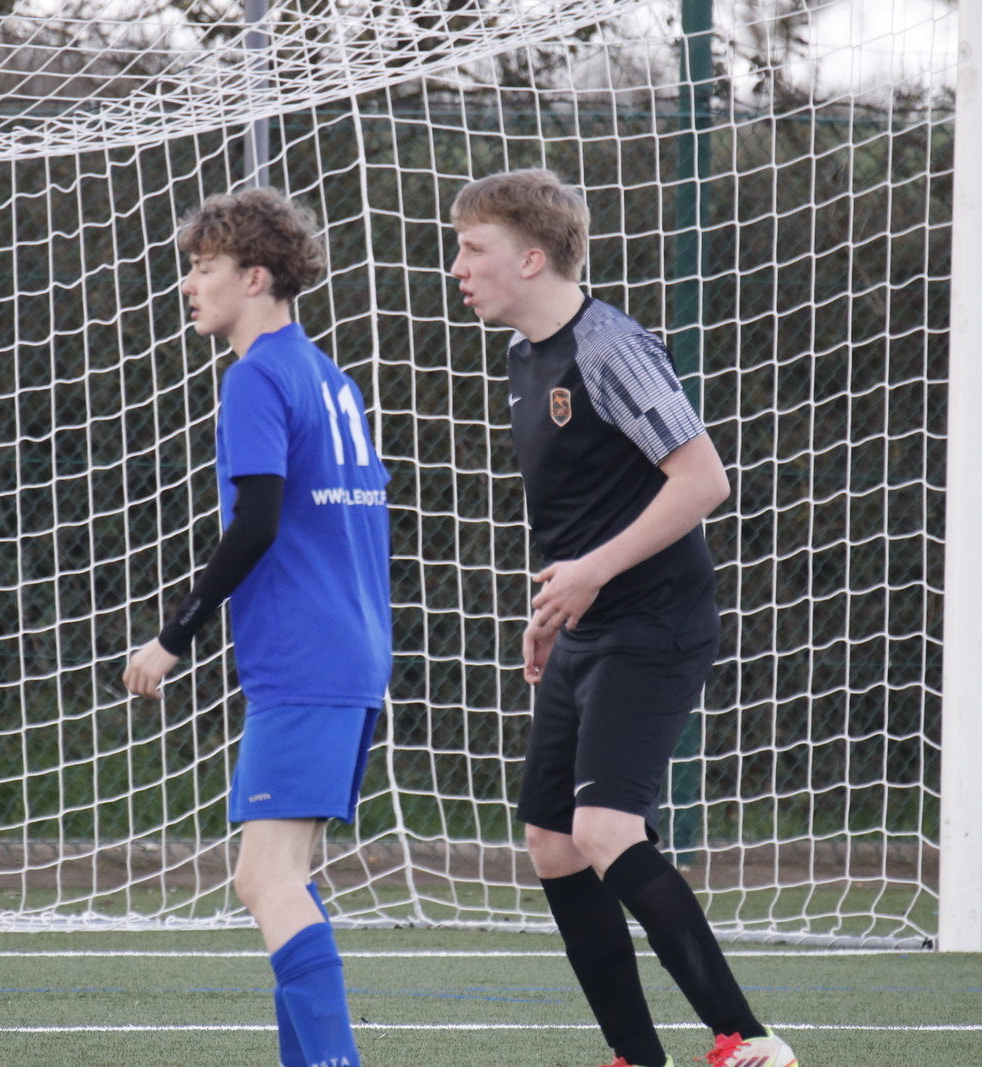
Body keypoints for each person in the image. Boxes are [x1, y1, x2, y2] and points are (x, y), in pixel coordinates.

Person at [448, 170, 798, 1067]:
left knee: (606, 830)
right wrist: (556, 605)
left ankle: (750, 1041)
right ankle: (637, 1057)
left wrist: (594, 574)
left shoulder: (610, 345)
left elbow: (704, 479)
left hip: (656, 621)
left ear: (532, 258)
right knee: (553, 841)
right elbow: (586, 506)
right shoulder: (524, 355)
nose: (458, 268)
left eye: (474, 249)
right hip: (589, 625)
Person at [123, 188, 390, 1067]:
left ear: (257, 277)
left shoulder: (256, 376)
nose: (188, 285)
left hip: (307, 660)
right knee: (280, 877)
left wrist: (174, 634)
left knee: (265, 878)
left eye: (204, 268)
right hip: (349, 652)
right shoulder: (331, 378)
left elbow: (258, 521)